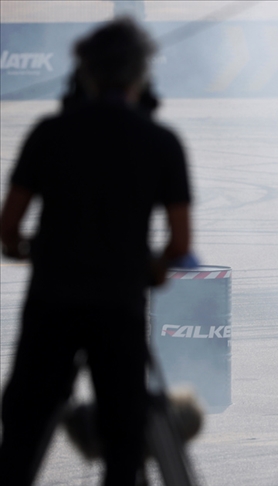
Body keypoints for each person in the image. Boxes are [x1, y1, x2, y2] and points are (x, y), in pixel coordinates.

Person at [0, 18, 191, 485]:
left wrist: (27, 250)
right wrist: (153, 267)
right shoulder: (160, 142)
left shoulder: (49, 134)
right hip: (119, 306)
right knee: (124, 441)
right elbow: (180, 242)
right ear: (141, 74)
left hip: (51, 302)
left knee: (23, 430)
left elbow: (8, 226)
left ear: (84, 72)